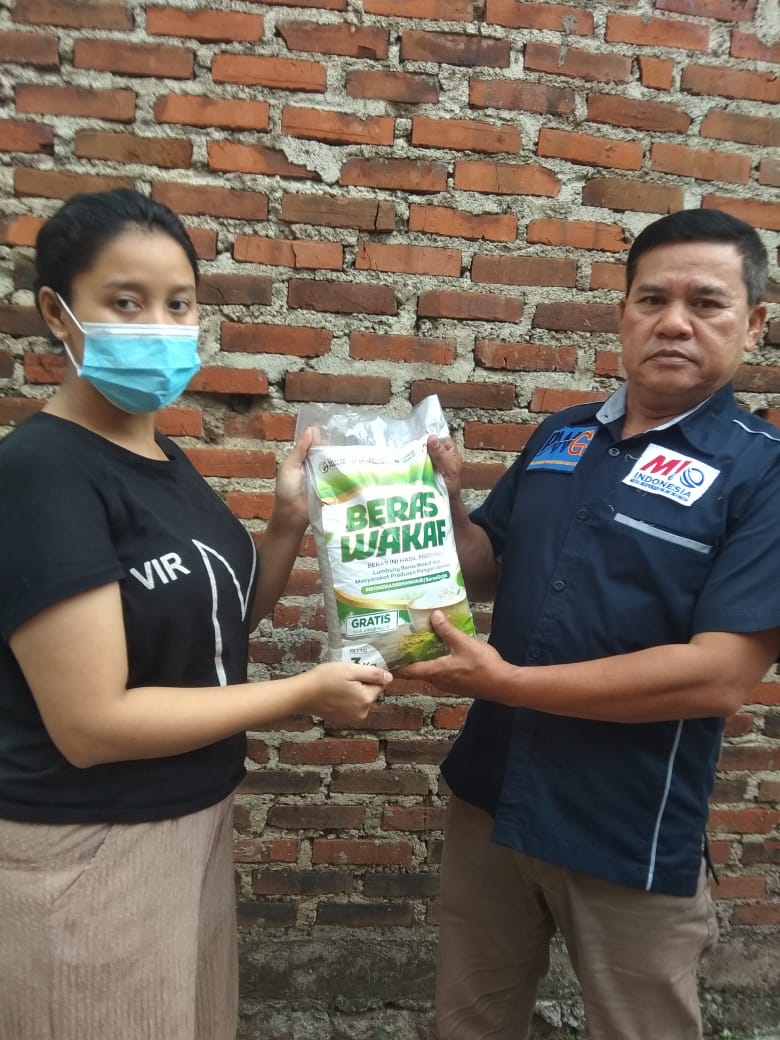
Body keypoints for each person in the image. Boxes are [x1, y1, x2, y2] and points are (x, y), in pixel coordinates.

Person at [0, 188, 390, 1040]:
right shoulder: (44, 473)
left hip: (193, 823)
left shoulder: (161, 455)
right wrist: (304, 693)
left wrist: (285, 524)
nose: (160, 325)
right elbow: (92, 724)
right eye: (125, 302)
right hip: (89, 845)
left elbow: (216, 631)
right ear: (59, 315)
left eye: (178, 304)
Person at [399, 208, 780, 1040]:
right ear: (622, 314)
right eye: (652, 300)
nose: (674, 322)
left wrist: (509, 683)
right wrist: (439, 504)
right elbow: (484, 565)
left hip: (625, 822)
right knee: (468, 1022)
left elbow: (719, 675)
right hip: (491, 797)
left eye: (706, 303)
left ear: (753, 323)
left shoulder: (762, 474)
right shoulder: (563, 435)